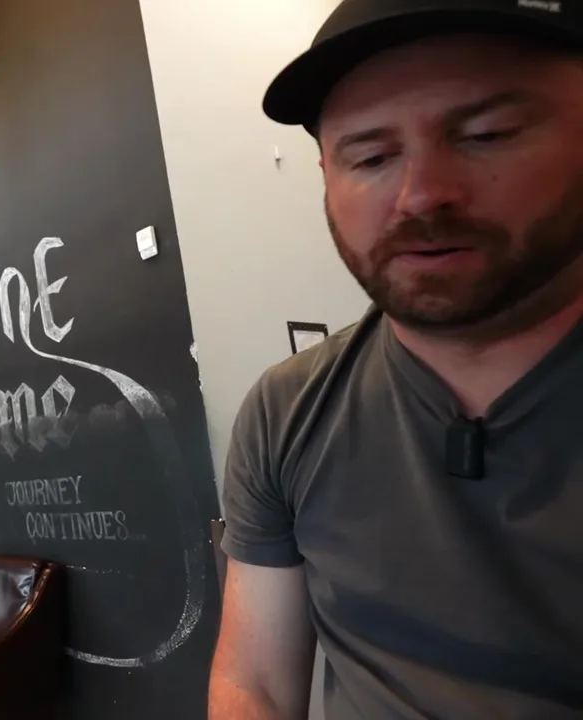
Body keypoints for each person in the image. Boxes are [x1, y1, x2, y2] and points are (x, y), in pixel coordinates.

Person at [210, 1, 583, 719]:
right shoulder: (287, 410)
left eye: (488, 134)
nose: (420, 195)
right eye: (372, 157)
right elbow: (255, 682)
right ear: (326, 175)